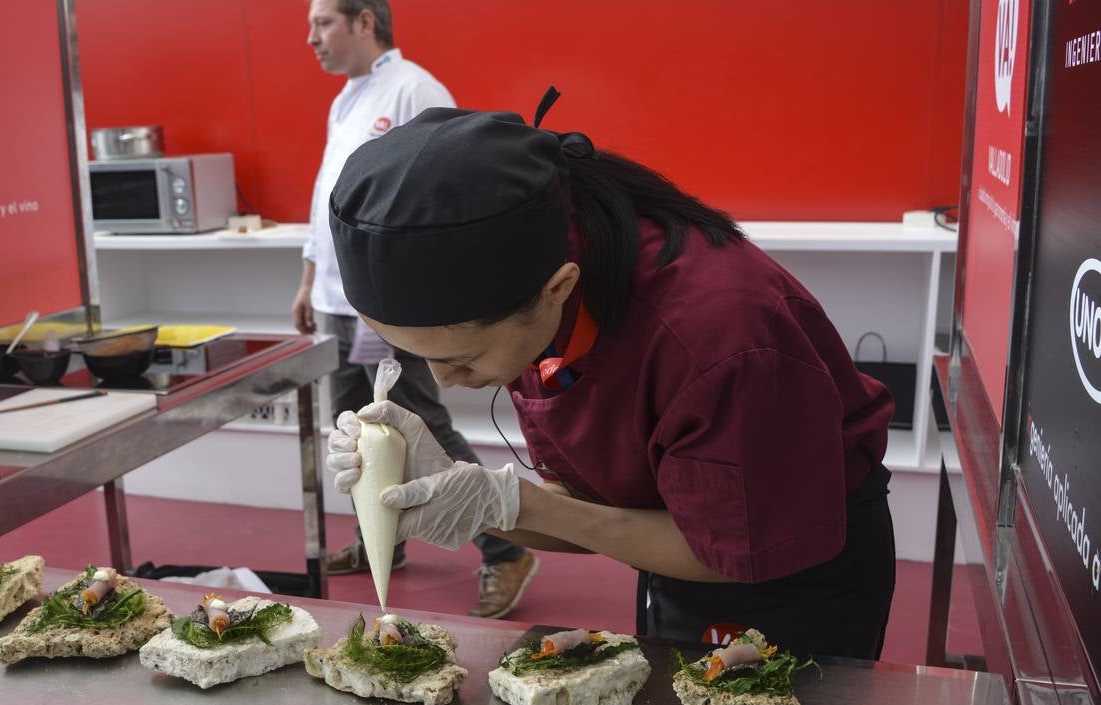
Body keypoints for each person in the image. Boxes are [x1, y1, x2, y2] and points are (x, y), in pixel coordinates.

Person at [324, 93, 897, 659]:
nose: (444, 381)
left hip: (792, 577)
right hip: (674, 559)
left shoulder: (719, 337)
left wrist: (511, 506)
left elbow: (729, 545)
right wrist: (460, 491)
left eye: (466, 358)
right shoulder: (536, 288)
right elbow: (591, 511)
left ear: (558, 290)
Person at [294, 0, 538, 617]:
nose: (311, 38)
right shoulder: (343, 100)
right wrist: (308, 278)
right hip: (336, 299)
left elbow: (441, 198)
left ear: (364, 22)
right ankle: (382, 540)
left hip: (392, 306)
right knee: (354, 433)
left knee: (420, 425)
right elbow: (330, 194)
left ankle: (505, 551)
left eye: (322, 23)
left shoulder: (415, 89)